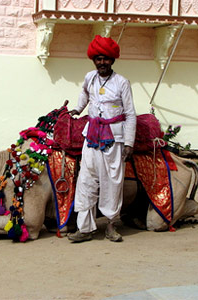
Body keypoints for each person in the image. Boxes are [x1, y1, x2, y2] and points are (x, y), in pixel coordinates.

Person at [67, 35, 136, 243]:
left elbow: (130, 113)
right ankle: (85, 228)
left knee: (112, 183)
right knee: (86, 180)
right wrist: (77, 110)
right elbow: (84, 95)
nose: (102, 62)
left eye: (105, 58)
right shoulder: (90, 77)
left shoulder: (122, 82)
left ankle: (111, 226)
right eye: (98, 58)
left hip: (114, 139)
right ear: (93, 60)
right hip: (92, 137)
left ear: (112, 60)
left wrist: (129, 143)